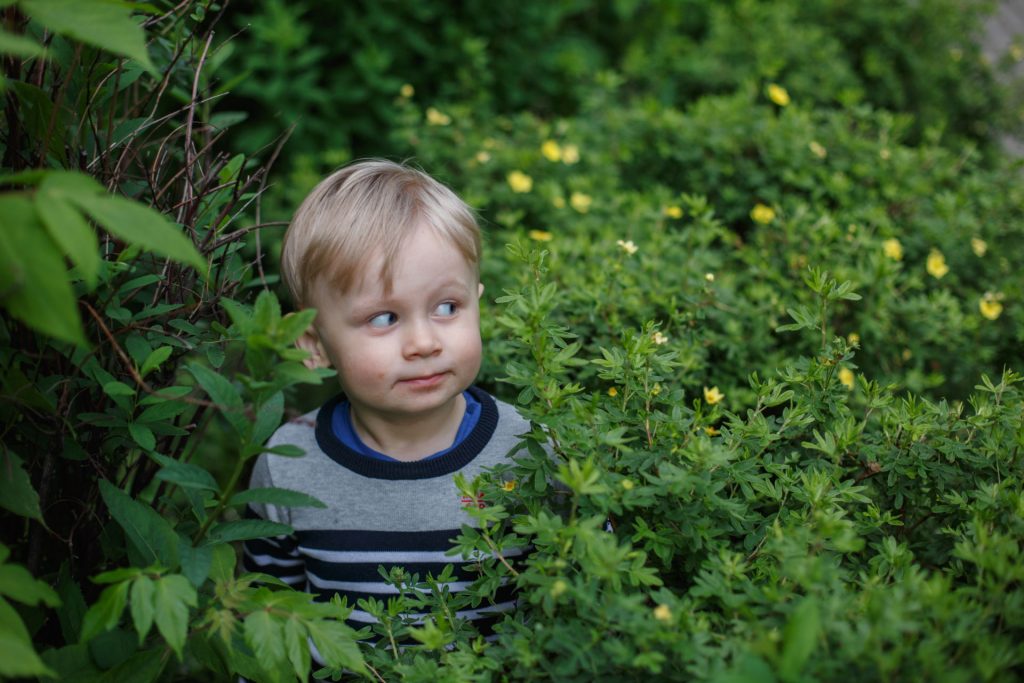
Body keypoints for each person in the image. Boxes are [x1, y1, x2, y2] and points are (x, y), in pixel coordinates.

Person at [241, 159, 529, 641]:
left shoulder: (527, 450)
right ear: (312, 345)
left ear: (479, 303)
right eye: (383, 318)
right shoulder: (289, 467)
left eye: (446, 308)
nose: (423, 343)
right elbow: (268, 625)